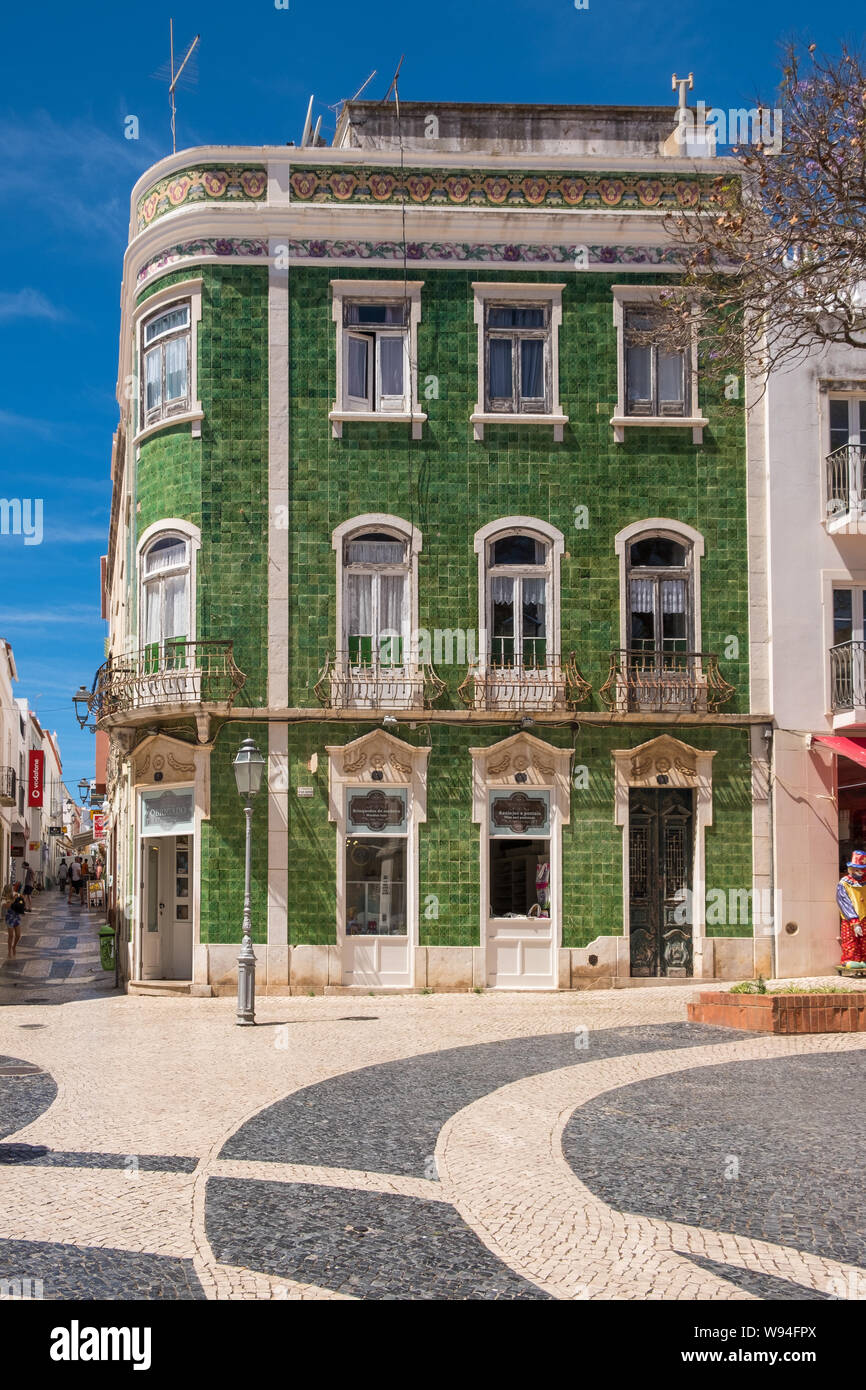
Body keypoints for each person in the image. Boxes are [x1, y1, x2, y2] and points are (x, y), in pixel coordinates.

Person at [836, 849, 866, 966]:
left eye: (862, 869)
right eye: (857, 869)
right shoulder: (845, 883)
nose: (860, 872)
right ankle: (850, 959)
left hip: (864, 916)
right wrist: (854, 920)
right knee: (850, 939)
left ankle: (863, 960)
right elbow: (844, 902)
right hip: (851, 919)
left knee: (864, 940)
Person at [5, 882, 25, 957]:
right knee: (11, 935)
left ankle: (14, 946)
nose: (11, 891)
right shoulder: (4, 898)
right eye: (9, 890)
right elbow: (7, 906)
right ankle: (9, 950)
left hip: (16, 917)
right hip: (9, 918)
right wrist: (13, 899)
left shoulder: (15, 894)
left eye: (11, 890)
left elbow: (22, 898)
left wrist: (21, 901)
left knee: (18, 935)